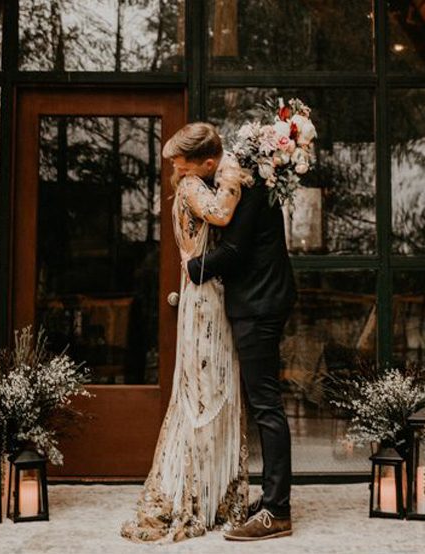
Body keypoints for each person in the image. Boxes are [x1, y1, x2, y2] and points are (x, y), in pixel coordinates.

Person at [120, 122, 251, 543]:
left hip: (208, 294)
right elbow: (222, 214)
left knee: (213, 389)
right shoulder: (194, 186)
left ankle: (214, 493)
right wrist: (233, 175)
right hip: (203, 299)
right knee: (204, 392)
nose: (175, 164)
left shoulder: (191, 183)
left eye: (181, 157)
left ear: (203, 159)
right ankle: (195, 495)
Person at [186, 129, 297, 541]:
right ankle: (272, 497)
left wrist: (193, 267)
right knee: (263, 403)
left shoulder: (246, 192)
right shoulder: (248, 185)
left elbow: (233, 253)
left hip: (260, 305)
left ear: (212, 163)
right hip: (262, 302)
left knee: (267, 405)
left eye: (188, 166)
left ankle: (277, 512)